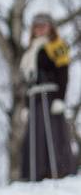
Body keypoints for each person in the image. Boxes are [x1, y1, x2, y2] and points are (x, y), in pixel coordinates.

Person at [20, 13, 75, 181]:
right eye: (37, 26)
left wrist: (60, 98)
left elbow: (63, 72)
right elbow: (27, 81)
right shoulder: (30, 51)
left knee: (52, 133)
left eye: (43, 25)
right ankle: (35, 173)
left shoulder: (57, 46)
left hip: (50, 96)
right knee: (35, 136)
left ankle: (57, 171)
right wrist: (25, 106)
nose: (40, 29)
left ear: (51, 27)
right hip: (34, 97)